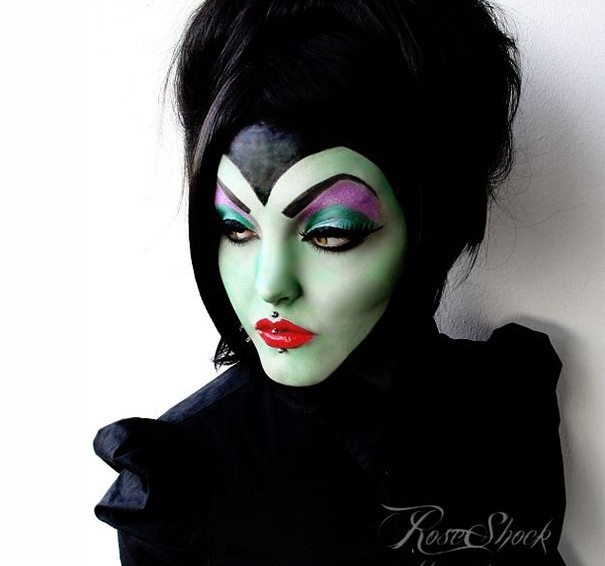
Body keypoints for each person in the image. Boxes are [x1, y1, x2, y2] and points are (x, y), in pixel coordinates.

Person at [93, 0, 568, 564]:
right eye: (236, 229)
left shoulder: (508, 404)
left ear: (434, 225)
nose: (271, 285)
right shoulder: (185, 486)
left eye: (331, 233)